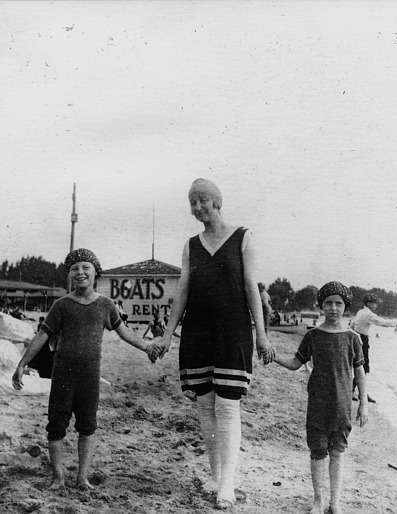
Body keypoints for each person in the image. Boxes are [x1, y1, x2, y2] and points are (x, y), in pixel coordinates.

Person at [150, 178, 275, 510]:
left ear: (216, 201)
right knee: (205, 407)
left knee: (228, 405)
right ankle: (218, 479)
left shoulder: (243, 237)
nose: (196, 207)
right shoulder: (191, 245)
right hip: (197, 332)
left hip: (233, 331)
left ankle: (228, 485)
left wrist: (261, 334)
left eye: (201, 200)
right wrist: (166, 334)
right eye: (191, 202)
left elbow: (251, 288)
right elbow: (183, 292)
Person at [12, 248, 157, 490]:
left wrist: (147, 348)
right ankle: (58, 477)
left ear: (96, 273)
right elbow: (41, 336)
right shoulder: (61, 305)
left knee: (87, 425)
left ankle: (82, 477)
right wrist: (22, 363)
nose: (80, 273)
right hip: (62, 373)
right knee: (57, 423)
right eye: (74, 269)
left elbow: (124, 332)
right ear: (69, 275)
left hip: (90, 375)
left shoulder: (106, 305)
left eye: (85, 268)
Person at [274, 282, 368, 514]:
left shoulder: (353, 337)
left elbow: (360, 372)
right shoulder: (313, 336)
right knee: (317, 451)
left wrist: (363, 403)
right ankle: (318, 501)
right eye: (328, 303)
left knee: (337, 452)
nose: (333, 308)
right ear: (321, 305)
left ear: (345, 306)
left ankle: (335, 502)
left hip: (342, 405)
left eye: (338, 303)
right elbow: (296, 363)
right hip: (317, 403)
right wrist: (273, 357)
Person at [349, 293, 397, 403]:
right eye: (375, 303)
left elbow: (352, 326)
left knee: (360, 367)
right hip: (362, 340)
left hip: (357, 339)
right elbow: (383, 322)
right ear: (368, 304)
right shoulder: (368, 314)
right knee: (364, 368)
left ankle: (356, 391)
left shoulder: (360, 312)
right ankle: (359, 392)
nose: (376, 305)